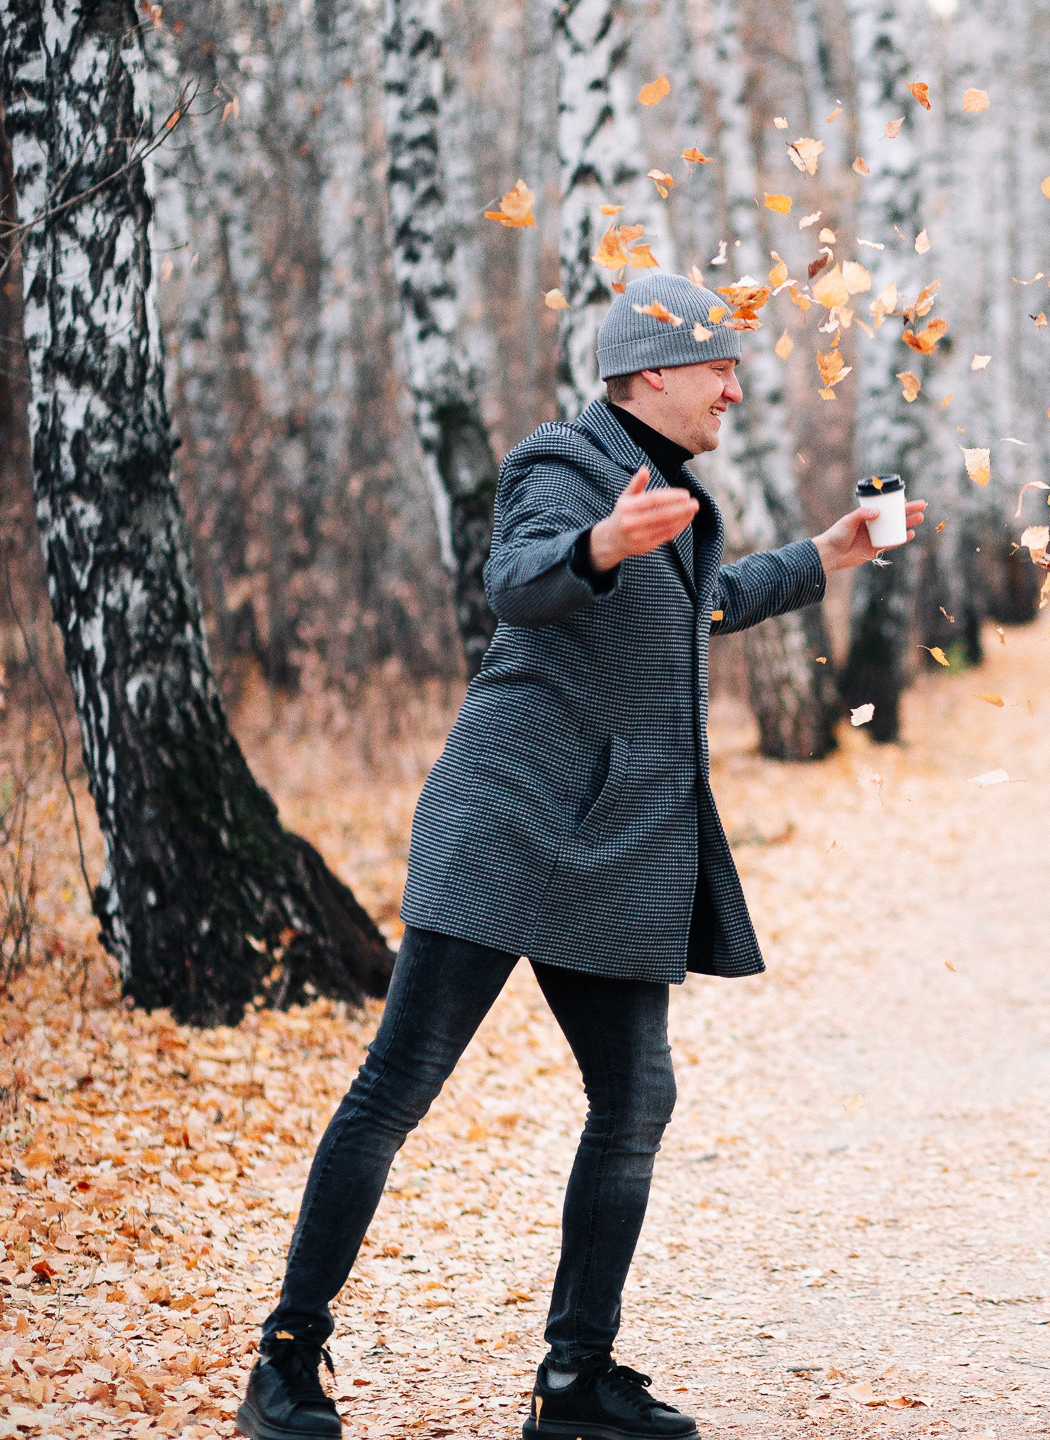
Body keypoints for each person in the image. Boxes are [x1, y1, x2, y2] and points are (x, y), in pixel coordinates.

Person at [236, 273, 925, 1440]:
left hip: (609, 849)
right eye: (719, 369)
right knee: (398, 1084)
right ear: (653, 370)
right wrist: (598, 545)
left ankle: (575, 1381)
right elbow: (517, 580)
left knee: (637, 1095)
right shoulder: (563, 462)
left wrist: (828, 553)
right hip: (505, 823)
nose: (734, 390)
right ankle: (286, 1359)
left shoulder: (672, 493)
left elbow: (703, 604)